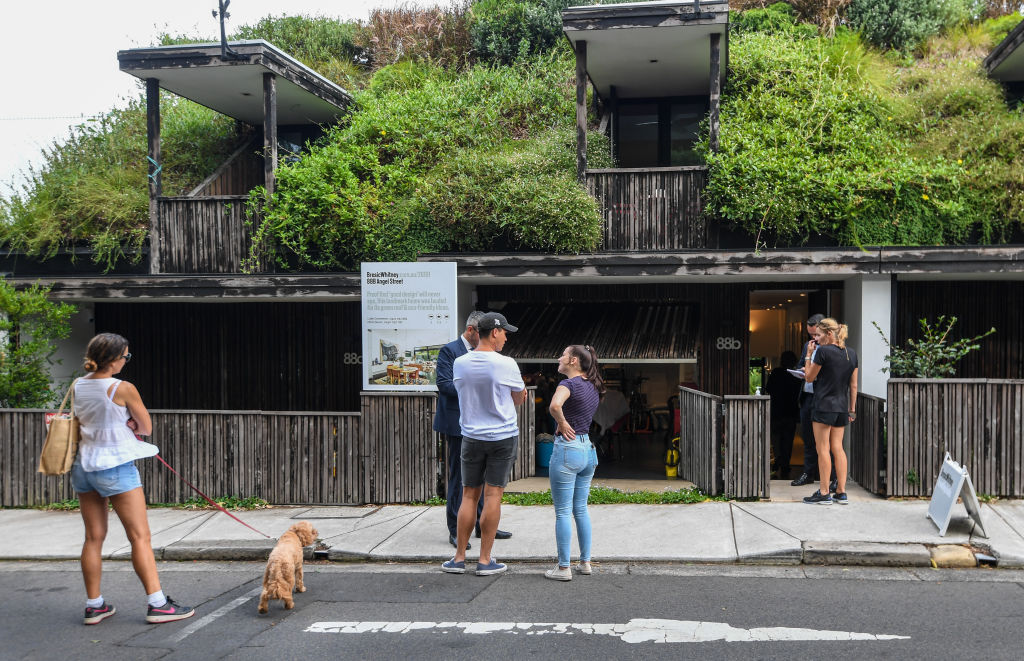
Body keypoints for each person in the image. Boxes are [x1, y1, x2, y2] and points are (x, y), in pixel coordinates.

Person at [72, 333, 195, 625]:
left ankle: (95, 606)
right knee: (139, 537)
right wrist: (130, 422)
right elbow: (146, 427)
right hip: (115, 465)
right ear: (114, 359)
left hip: (83, 465)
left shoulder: (77, 385)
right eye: (125, 356)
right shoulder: (122, 387)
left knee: (93, 537)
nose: (126, 361)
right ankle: (158, 604)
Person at [442, 312, 527, 576]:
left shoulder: (460, 363)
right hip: (501, 437)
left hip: (471, 437)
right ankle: (485, 560)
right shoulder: (507, 363)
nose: (506, 338)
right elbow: (518, 398)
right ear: (494, 332)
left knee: (469, 495)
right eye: (504, 333)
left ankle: (458, 559)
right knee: (493, 496)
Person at [433, 311, 512, 549]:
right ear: (471, 331)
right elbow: (444, 384)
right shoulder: (450, 351)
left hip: (484, 426)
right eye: (483, 333)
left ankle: (482, 524)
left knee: (485, 479)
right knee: (460, 480)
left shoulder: (489, 354)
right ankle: (456, 530)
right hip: (458, 426)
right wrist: (476, 388)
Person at [544, 345, 604, 581]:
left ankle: (563, 568)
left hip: (568, 450)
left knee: (562, 512)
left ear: (574, 360)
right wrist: (566, 421)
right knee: (580, 509)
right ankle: (585, 562)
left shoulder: (567, 385)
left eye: (563, 354)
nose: (559, 358)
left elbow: (554, 406)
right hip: (588, 450)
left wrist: (562, 422)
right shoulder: (591, 386)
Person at [802, 318, 859, 505]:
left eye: (818, 335)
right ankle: (841, 492)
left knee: (823, 449)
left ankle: (824, 492)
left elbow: (809, 378)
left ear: (828, 334)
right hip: (842, 408)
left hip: (824, 405)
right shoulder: (851, 353)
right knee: (838, 448)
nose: (816, 339)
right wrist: (852, 410)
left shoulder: (822, 352)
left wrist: (809, 355)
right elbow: (853, 385)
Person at [791, 314, 836, 492]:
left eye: (815, 334)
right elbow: (801, 364)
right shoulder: (807, 346)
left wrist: (812, 371)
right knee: (808, 437)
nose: (813, 339)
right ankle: (808, 473)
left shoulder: (833, 349)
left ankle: (832, 478)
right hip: (807, 396)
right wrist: (801, 369)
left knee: (827, 441)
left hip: (823, 397)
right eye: (810, 335)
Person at [765, 350, 801, 480]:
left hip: (776, 411)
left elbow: (768, 389)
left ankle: (776, 461)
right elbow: (799, 393)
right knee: (788, 440)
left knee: (775, 439)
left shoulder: (775, 373)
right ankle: (785, 464)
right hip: (790, 412)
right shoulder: (797, 375)